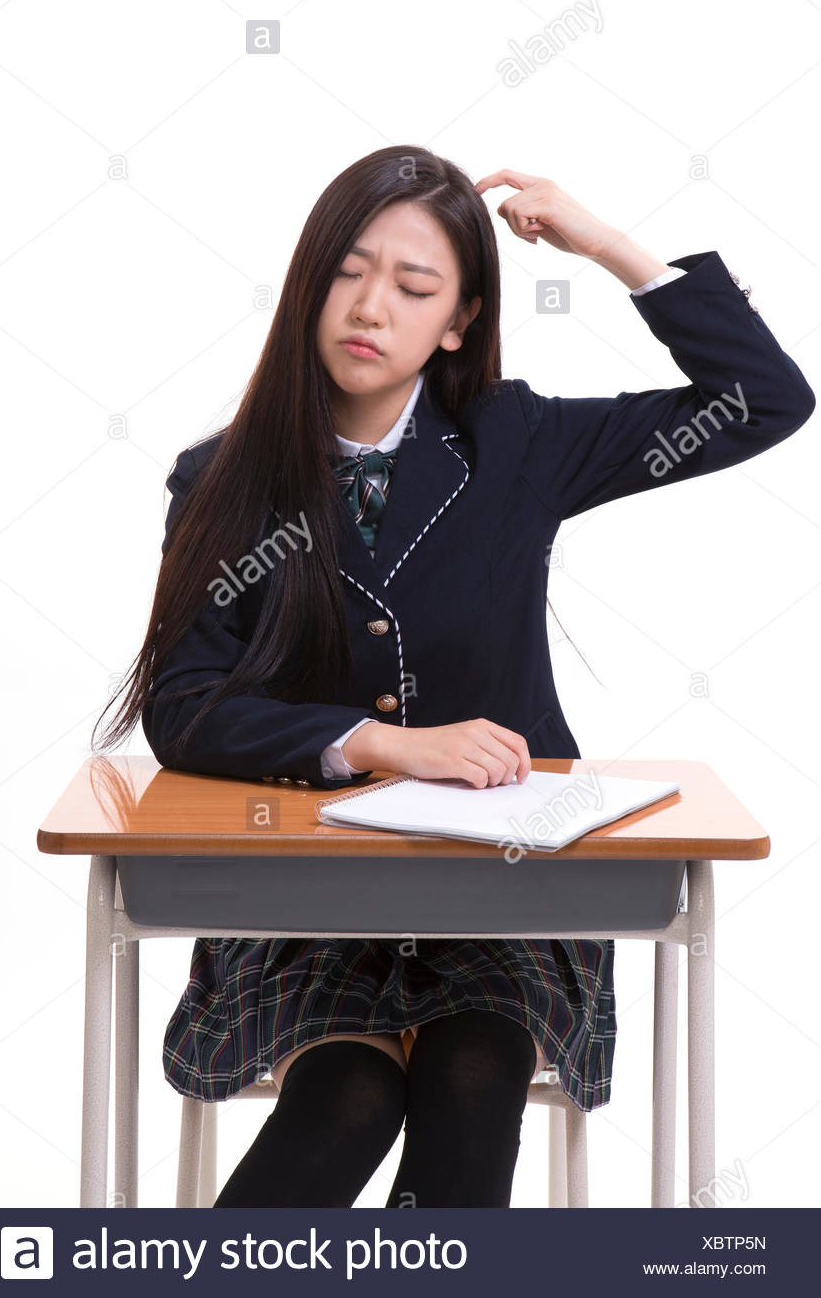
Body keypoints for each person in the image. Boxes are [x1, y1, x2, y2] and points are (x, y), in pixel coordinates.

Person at [93, 147, 815, 1208]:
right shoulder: (223, 477)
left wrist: (607, 244)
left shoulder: (516, 442)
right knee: (344, 1096)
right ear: (308, 284)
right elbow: (184, 706)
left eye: (414, 287)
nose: (369, 306)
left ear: (458, 321)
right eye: (347, 271)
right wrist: (375, 742)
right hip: (304, 904)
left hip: (512, 902)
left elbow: (761, 401)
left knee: (473, 1080)